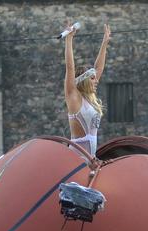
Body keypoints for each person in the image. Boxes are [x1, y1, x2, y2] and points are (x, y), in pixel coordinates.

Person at [63, 22, 110, 157]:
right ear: (83, 81)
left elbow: (99, 68)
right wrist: (69, 39)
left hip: (91, 159)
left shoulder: (89, 98)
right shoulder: (74, 97)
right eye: (92, 78)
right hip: (76, 159)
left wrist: (105, 43)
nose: (96, 80)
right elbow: (70, 68)